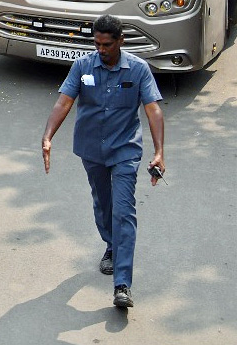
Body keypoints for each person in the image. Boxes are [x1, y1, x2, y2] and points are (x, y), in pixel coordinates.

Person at [40, 15, 165, 309]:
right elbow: (64, 102)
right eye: (96, 43)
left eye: (107, 44)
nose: (101, 49)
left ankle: (122, 284)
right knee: (103, 203)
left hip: (125, 151)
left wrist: (159, 151)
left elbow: (153, 111)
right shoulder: (83, 66)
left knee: (124, 210)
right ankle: (111, 243)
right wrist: (48, 136)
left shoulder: (138, 69)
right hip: (92, 150)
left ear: (120, 41)